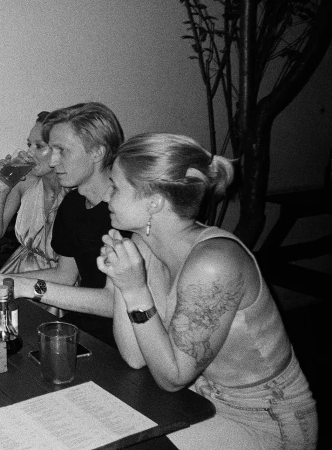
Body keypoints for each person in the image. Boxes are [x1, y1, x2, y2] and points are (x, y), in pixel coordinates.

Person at [98, 133, 317, 450]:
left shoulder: (215, 264)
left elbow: (172, 377)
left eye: (116, 186)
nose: (107, 195)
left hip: (264, 422)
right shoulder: (145, 244)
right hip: (197, 403)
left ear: (155, 202)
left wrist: (134, 290)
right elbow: (136, 358)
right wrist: (125, 280)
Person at [0, 102, 125, 344]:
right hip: (80, 331)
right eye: (50, 149)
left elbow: (117, 303)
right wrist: (7, 281)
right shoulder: (73, 204)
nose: (52, 162)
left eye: (61, 150)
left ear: (97, 152)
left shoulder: (126, 211)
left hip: (121, 342)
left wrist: (24, 286)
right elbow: (65, 274)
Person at [0, 111, 68, 275]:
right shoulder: (25, 182)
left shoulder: (77, 194)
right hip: (16, 272)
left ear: (61, 150)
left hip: (57, 283)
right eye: (29, 144)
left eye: (39, 146)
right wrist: (2, 191)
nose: (29, 153)